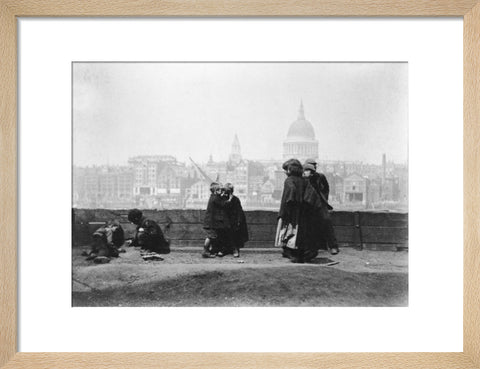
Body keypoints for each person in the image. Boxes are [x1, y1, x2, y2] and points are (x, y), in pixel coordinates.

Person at [303, 158, 339, 256]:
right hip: (308, 205)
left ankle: (333, 246)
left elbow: (326, 188)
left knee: (326, 220)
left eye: (314, 165)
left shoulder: (320, 177)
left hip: (320, 203)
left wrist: (324, 199)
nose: (312, 167)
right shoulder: (303, 178)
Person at [275, 158, 308, 263]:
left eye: (286, 169)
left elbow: (290, 194)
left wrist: (288, 205)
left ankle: (290, 252)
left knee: (288, 230)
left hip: (290, 210)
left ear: (290, 170)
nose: (285, 172)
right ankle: (296, 253)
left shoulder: (289, 180)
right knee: (298, 231)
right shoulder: (304, 180)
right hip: (302, 211)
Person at [202, 182, 233, 258]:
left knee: (211, 236)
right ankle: (205, 251)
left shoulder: (213, 196)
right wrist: (230, 198)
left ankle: (207, 251)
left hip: (209, 221)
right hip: (211, 222)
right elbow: (224, 204)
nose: (221, 191)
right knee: (210, 237)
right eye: (220, 190)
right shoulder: (215, 198)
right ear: (216, 191)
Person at [224, 183, 249, 257]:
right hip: (226, 220)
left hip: (233, 221)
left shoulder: (235, 199)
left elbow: (239, 211)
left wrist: (238, 221)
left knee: (234, 235)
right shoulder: (224, 199)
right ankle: (225, 249)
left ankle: (235, 249)